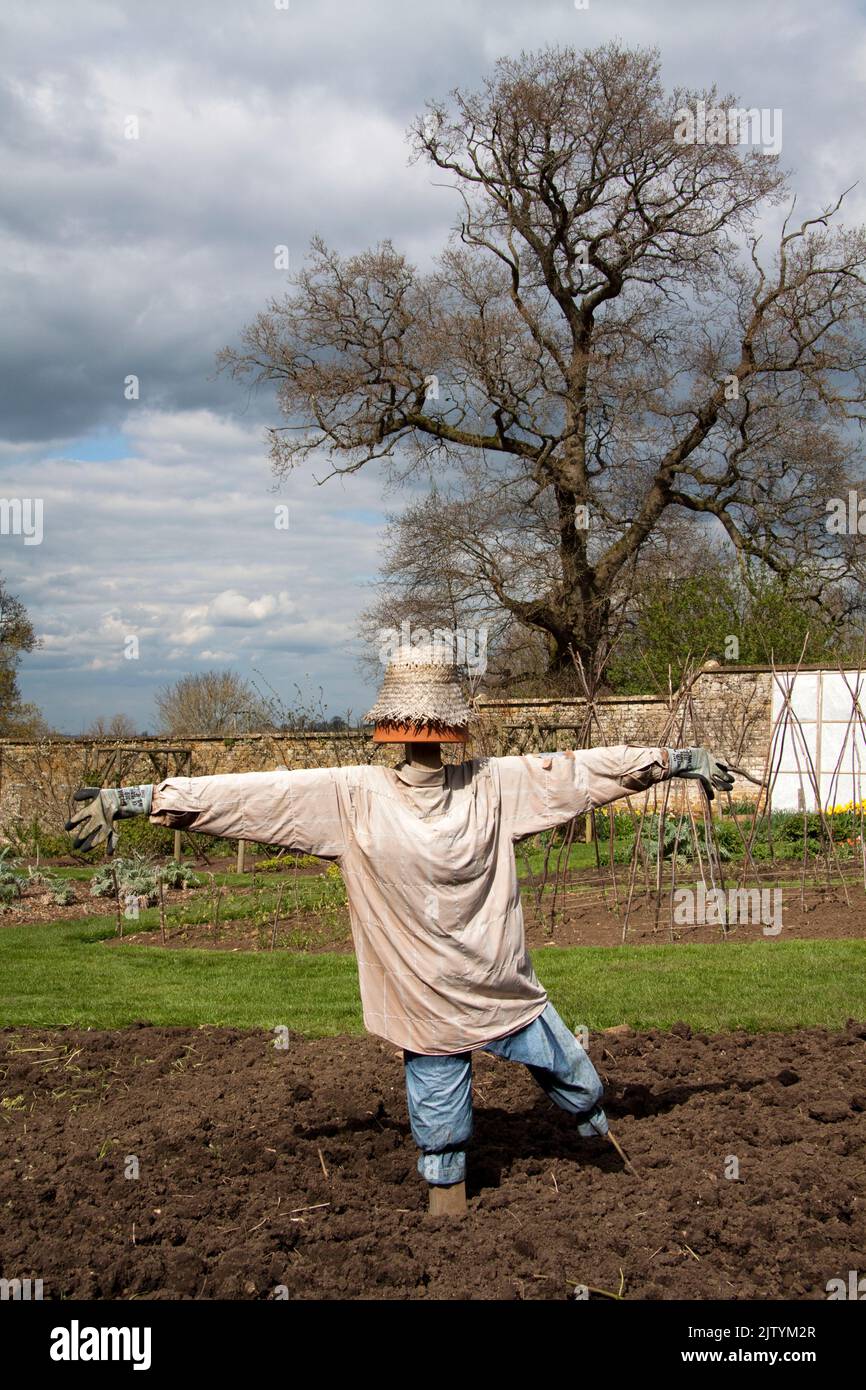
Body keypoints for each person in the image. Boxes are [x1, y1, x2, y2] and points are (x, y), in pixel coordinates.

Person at [66, 646, 733, 1213]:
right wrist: (671, 759)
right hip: (471, 998)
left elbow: (581, 772)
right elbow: (251, 797)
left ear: (393, 726)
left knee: (506, 1105)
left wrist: (669, 759)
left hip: (479, 995)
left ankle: (520, 1191)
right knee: (560, 1089)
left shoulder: (423, 791)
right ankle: (526, 1192)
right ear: (452, 728)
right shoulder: (411, 792)